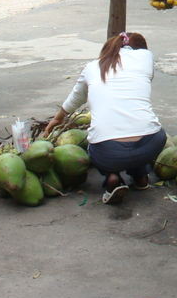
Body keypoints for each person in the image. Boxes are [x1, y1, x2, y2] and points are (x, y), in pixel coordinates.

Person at [43, 31, 166, 205]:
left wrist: (57, 119)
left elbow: (75, 98)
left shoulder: (92, 67)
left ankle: (112, 177)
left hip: (109, 151)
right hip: (151, 142)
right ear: (140, 49)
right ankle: (140, 176)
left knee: (93, 145)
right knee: (140, 134)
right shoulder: (146, 58)